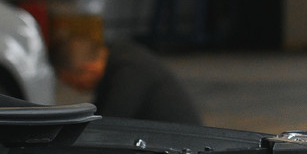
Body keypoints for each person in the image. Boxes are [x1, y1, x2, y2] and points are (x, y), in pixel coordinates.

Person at [53, 30, 203, 125]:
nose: (74, 89)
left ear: (90, 70)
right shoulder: (118, 55)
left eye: (74, 83)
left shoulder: (128, 72)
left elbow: (109, 124)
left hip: (181, 147)